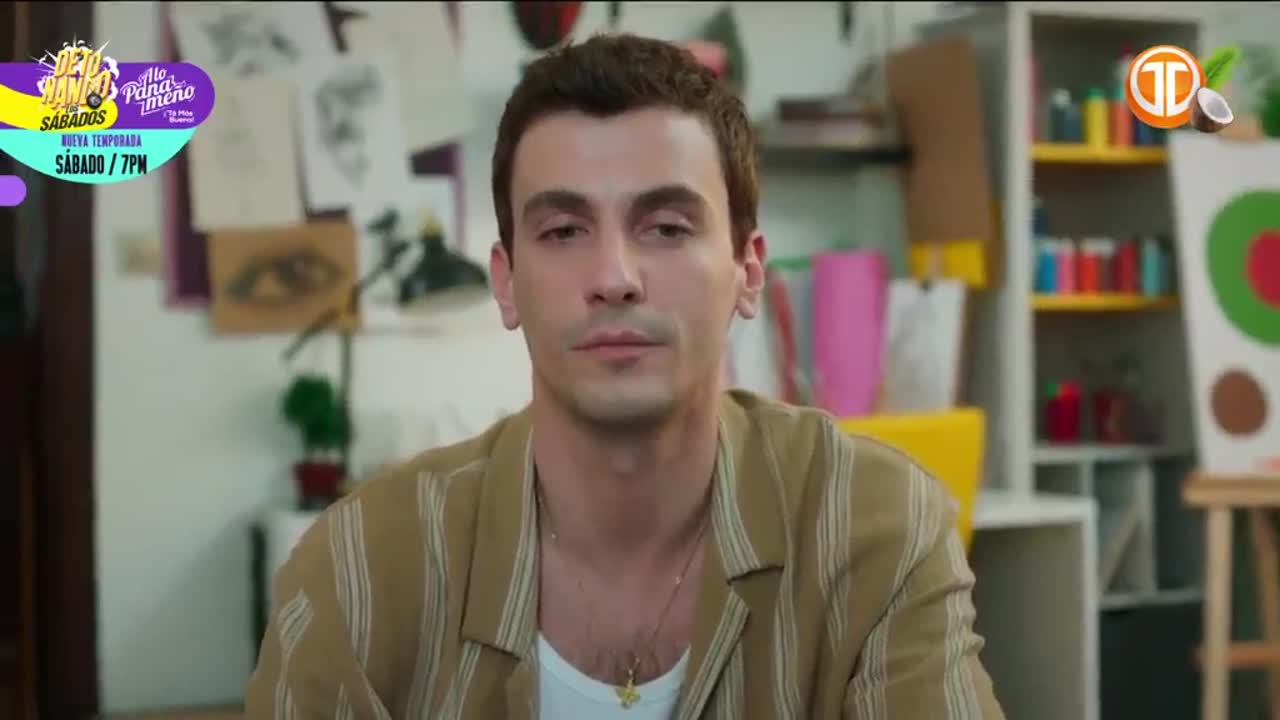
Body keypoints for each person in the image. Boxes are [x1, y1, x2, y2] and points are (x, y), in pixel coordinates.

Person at [246, 33, 1005, 719]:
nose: (614, 277)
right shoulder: (361, 571)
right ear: (507, 284)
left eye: (667, 227)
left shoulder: (877, 532)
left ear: (748, 271)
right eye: (564, 230)